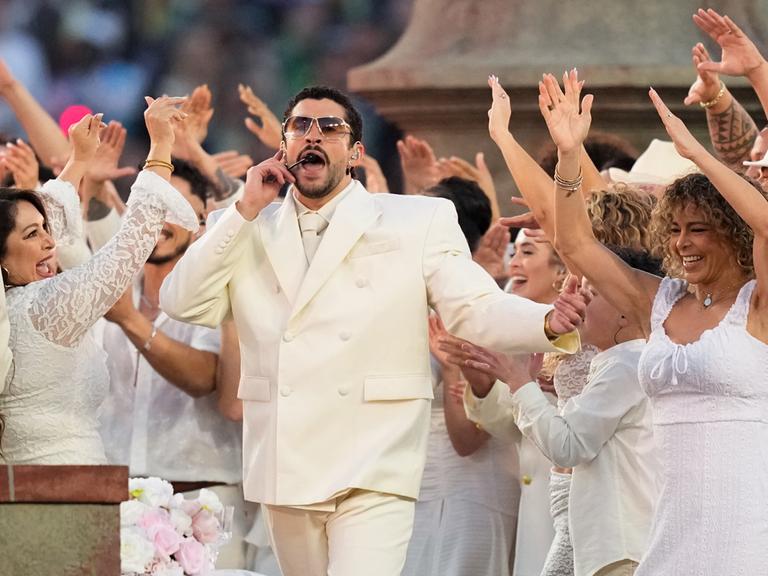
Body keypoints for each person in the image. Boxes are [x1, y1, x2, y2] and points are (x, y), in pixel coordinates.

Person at [160, 85, 586, 576]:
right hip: (285, 456)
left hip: (377, 456)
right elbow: (181, 302)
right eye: (300, 126)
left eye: (330, 127)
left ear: (356, 152)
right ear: (283, 147)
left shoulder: (417, 219)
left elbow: (474, 307)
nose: (313, 135)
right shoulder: (243, 223)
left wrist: (546, 321)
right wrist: (244, 209)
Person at [544, 53, 768, 573]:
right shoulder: (657, 301)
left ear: (732, 234)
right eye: (675, 229)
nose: (682, 243)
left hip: (746, 536)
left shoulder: (758, 304)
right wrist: (569, 155)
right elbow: (574, 243)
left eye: (698, 229)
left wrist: (698, 155)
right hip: (663, 535)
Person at [0, 96, 198, 464]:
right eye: (32, 235)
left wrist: (78, 160)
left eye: (45, 229)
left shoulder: (11, 309)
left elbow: (47, 215)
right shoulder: (42, 307)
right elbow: (130, 246)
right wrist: (160, 145)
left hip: (28, 483)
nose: (49, 242)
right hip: (66, 485)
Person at [449, 245, 661, 576]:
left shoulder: (625, 366)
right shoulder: (620, 362)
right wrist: (526, 383)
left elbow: (567, 447)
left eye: (593, 294)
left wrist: (519, 382)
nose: (580, 302)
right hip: (610, 542)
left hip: (620, 547)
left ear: (625, 312)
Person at [98, 159, 248, 568]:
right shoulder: (108, 287)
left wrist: (131, 321)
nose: (160, 220)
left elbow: (204, 377)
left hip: (203, 503)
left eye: (175, 207)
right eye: (151, 207)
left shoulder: (218, 294)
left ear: (201, 222)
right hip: (116, 500)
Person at [402, 177, 518, 576]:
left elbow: (469, 438)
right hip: (409, 481)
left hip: (470, 486)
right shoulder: (409, 297)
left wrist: (452, 364)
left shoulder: (479, 307)